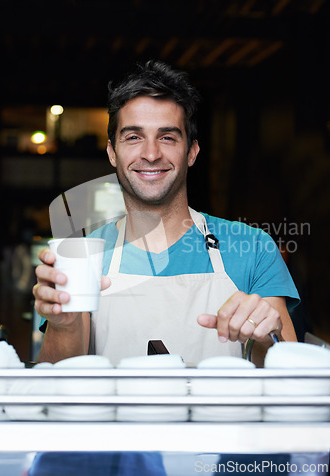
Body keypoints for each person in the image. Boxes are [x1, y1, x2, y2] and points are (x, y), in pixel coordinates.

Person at [33, 60, 299, 366]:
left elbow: (289, 375)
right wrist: (62, 324)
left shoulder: (253, 248)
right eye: (133, 137)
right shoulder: (84, 258)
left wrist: (267, 337)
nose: (150, 154)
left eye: (167, 137)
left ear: (191, 152)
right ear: (111, 153)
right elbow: (58, 382)